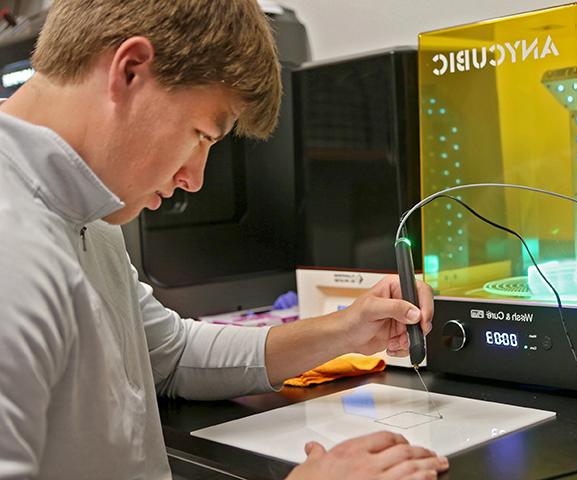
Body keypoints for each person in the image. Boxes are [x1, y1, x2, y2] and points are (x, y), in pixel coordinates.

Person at [0, 1, 448, 479]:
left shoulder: (86, 207)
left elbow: (169, 358)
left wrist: (347, 328)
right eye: (200, 135)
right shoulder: (16, 249)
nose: (195, 179)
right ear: (130, 70)